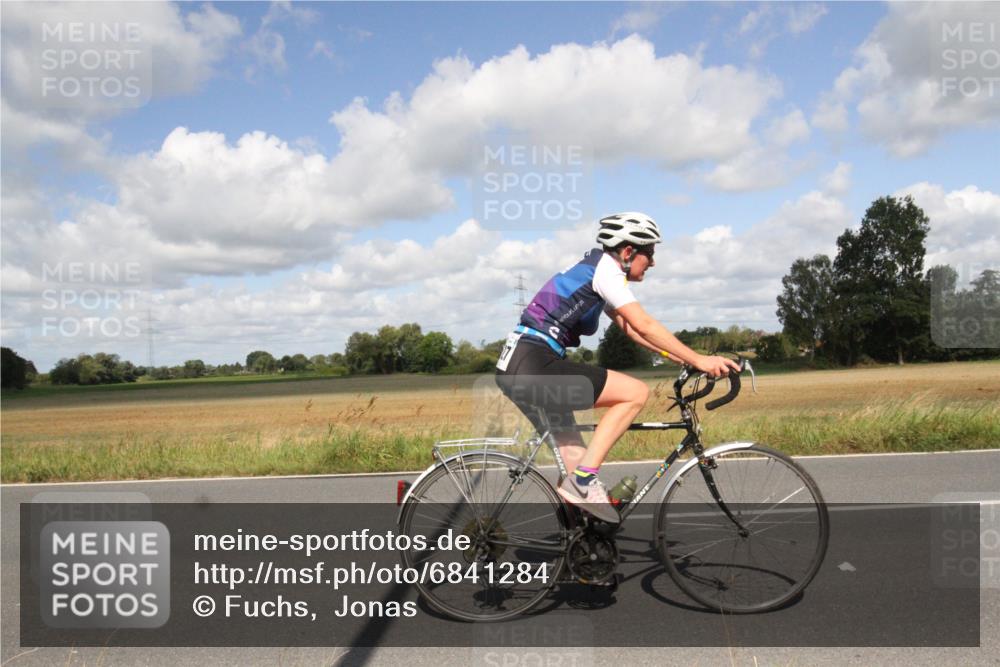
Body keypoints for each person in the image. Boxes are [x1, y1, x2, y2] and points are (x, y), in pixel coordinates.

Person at [495, 212, 740, 523]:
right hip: (534, 363)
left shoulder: (595, 271)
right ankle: (582, 483)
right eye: (649, 253)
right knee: (634, 393)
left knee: (575, 456)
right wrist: (699, 359)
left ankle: (581, 545)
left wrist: (680, 357)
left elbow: (631, 328)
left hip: (520, 363)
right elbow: (644, 323)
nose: (652, 262)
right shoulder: (606, 272)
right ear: (628, 251)